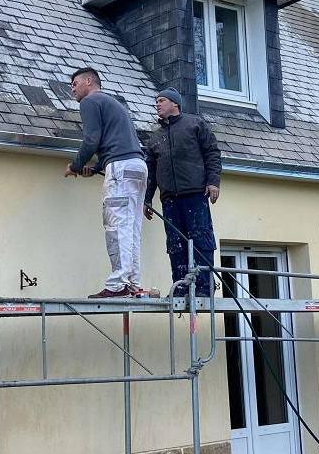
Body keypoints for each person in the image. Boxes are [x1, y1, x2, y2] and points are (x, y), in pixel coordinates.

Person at [65, 67, 148, 298]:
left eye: (74, 84)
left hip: (120, 168)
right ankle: (133, 282)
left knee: (116, 224)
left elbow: (92, 139)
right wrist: (96, 168)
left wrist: (75, 166)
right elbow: (114, 142)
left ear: (88, 81)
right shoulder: (114, 104)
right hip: (137, 167)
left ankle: (117, 285)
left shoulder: (90, 102)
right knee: (131, 227)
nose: (72, 89)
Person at [144, 89, 221, 296]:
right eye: (157, 101)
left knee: (200, 240)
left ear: (175, 104)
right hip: (169, 199)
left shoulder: (195, 124)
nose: (157, 104)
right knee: (175, 244)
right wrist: (147, 199)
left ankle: (204, 288)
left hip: (195, 194)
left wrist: (213, 182)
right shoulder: (155, 138)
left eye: (161, 100)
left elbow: (212, 153)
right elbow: (150, 171)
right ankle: (180, 288)